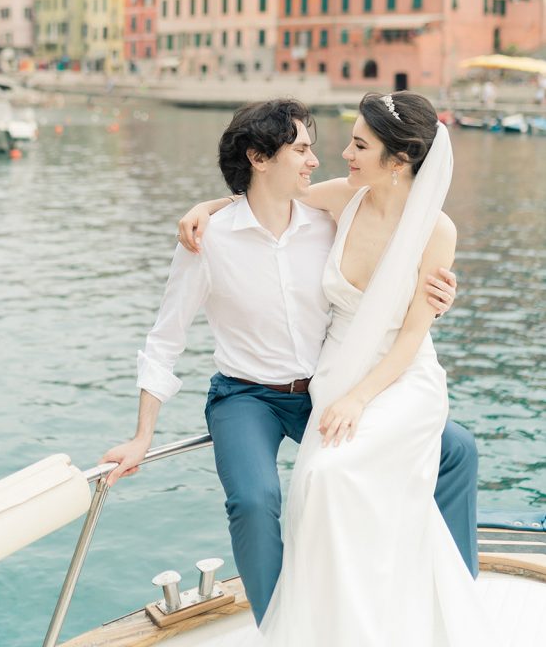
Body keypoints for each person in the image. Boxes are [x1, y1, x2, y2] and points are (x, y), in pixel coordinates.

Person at [100, 98, 474, 630]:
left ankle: (447, 595)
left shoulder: (327, 217)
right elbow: (165, 341)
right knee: (256, 501)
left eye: (322, 148)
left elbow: (394, 272)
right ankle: (280, 630)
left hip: (321, 386)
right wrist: (142, 436)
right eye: (301, 149)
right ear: (258, 156)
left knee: (456, 448)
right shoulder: (208, 240)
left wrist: (435, 293)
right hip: (245, 395)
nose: (317, 160)